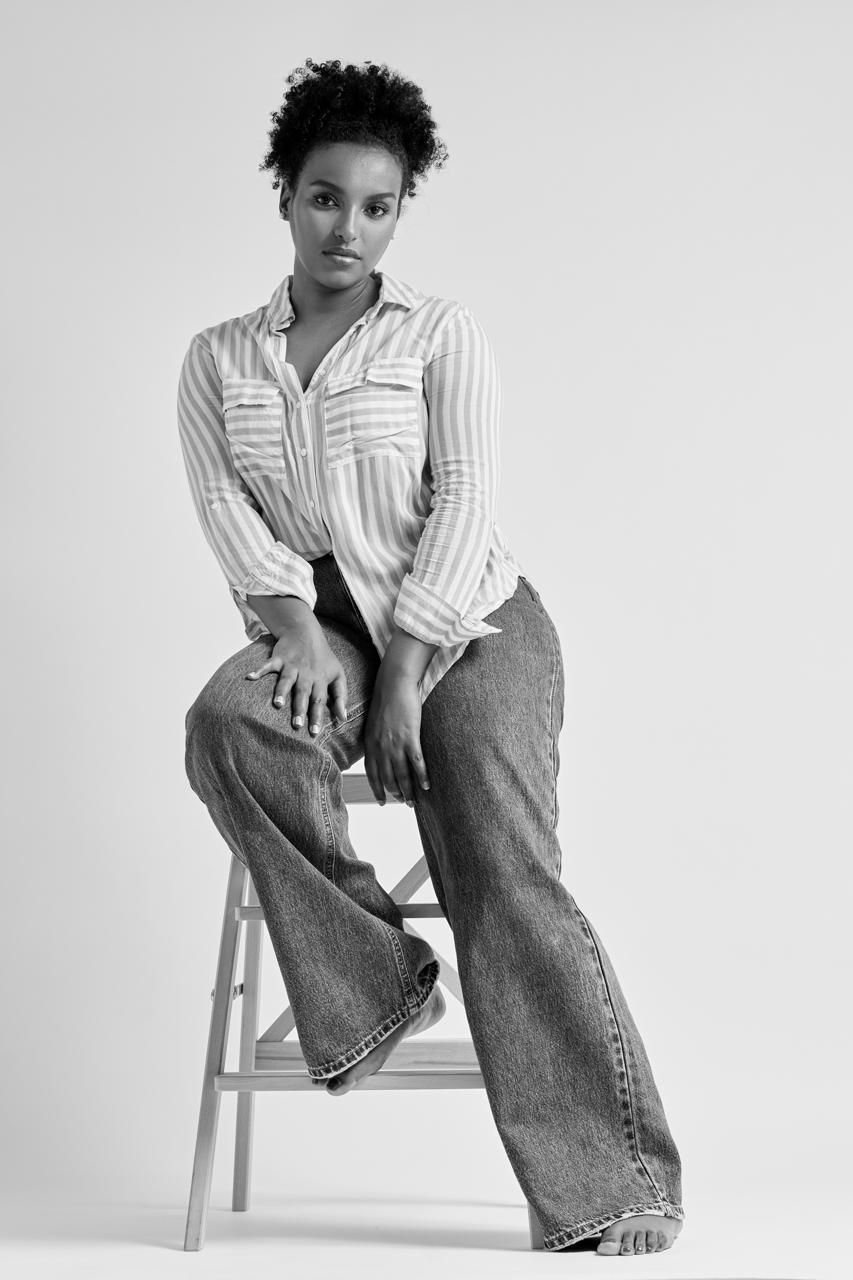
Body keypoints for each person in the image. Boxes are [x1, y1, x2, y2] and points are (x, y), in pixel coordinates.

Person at [177, 57, 685, 1257]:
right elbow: (223, 505)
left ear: (401, 207)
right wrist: (297, 626)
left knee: (495, 853)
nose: (345, 226)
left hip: (472, 619)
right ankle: (375, 979)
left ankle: (610, 1180)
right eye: (322, 198)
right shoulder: (217, 360)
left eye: (375, 203)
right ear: (284, 196)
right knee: (227, 726)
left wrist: (402, 671)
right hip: (320, 622)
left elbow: (463, 502)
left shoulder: (439, 333)